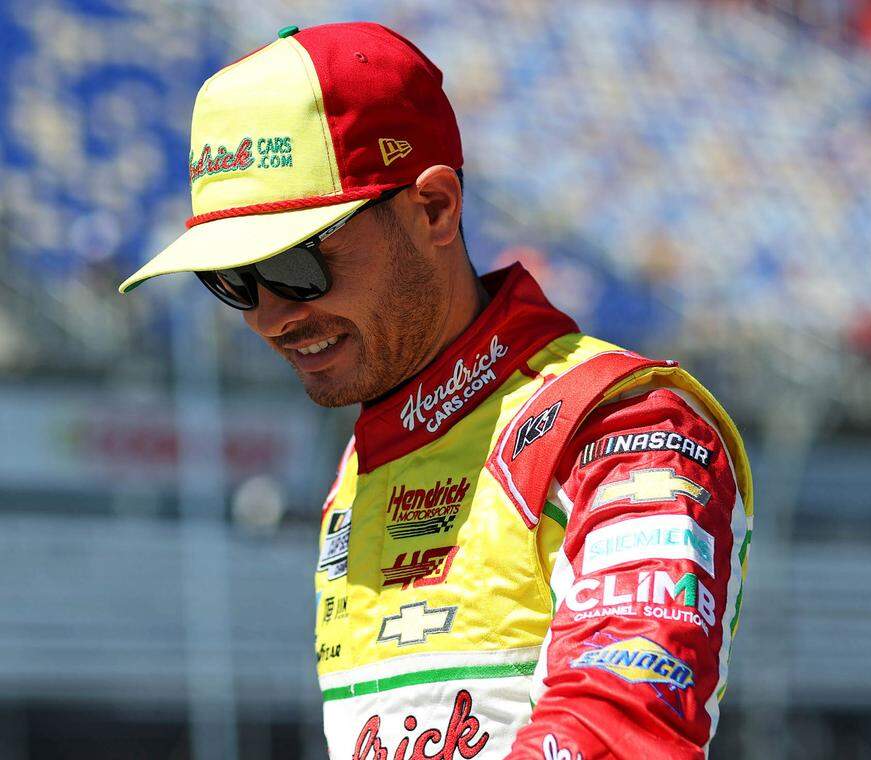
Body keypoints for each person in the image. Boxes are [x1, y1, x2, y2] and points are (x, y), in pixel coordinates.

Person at [119, 22, 753, 759]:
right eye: (231, 281)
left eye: (296, 265)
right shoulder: (361, 467)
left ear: (434, 209)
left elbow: (620, 726)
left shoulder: (620, 423)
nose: (270, 316)